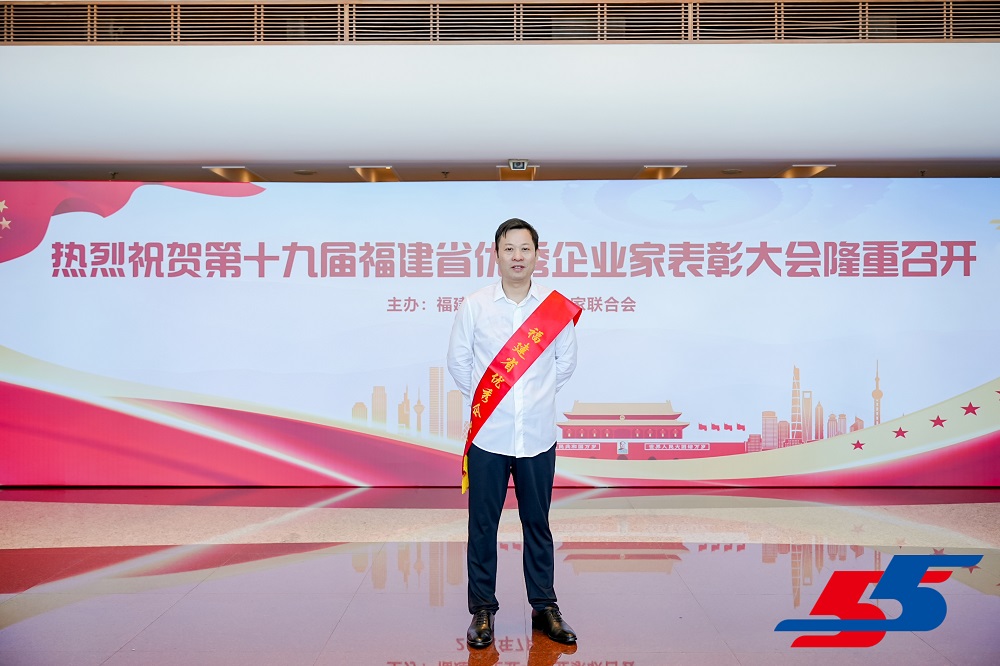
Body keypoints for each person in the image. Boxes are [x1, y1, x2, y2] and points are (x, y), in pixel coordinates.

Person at [447, 218, 580, 649]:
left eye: (525, 249)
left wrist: (533, 398)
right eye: (509, 249)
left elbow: (565, 364)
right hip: (489, 434)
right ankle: (482, 610)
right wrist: (492, 401)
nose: (517, 257)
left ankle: (545, 608)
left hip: (537, 435)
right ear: (496, 254)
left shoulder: (554, 309)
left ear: (537, 255)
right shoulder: (475, 305)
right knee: (482, 525)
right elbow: (459, 361)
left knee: (537, 523)